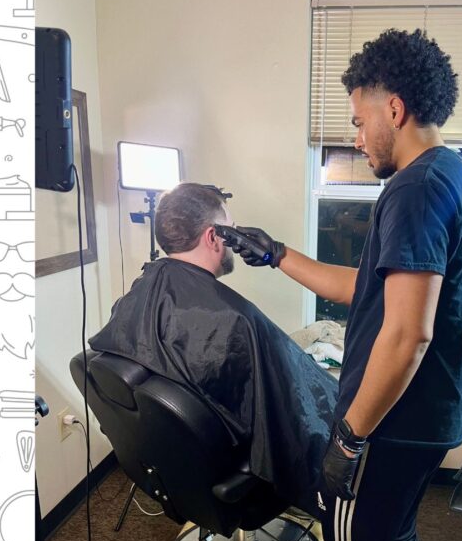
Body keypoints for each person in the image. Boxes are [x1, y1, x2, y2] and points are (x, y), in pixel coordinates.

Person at [224, 28, 462, 541]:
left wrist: (348, 438)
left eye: (359, 122)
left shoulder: (415, 190)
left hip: (393, 424)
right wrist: (276, 254)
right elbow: (365, 288)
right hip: (432, 417)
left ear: (394, 109)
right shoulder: (452, 175)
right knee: (396, 539)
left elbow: (406, 335)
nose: (358, 138)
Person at [88, 182, 338, 515]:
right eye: (230, 231)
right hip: (230, 468)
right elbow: (301, 403)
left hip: (178, 461)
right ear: (213, 237)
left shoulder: (136, 297)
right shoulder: (236, 319)